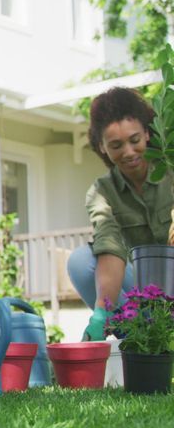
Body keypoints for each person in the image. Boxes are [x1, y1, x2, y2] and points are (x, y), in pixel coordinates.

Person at [68, 86, 173, 341]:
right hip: (145, 296)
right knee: (81, 262)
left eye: (134, 140)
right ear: (102, 147)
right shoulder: (102, 192)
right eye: (116, 145)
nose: (128, 152)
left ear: (147, 134)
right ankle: (143, 339)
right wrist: (101, 313)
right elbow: (110, 247)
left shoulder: (169, 168)